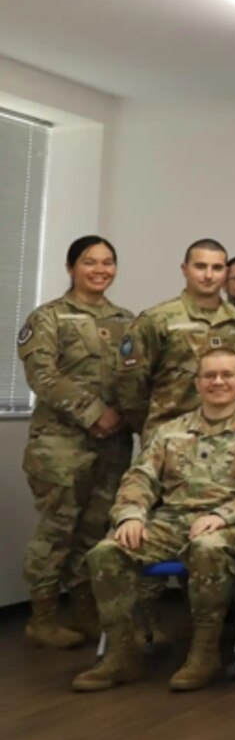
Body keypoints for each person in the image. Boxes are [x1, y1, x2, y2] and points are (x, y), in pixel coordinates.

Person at [71, 345, 235, 692]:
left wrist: (223, 515)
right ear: (197, 382)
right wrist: (130, 516)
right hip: (170, 522)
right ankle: (121, 656)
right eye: (209, 375)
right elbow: (140, 478)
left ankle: (204, 653)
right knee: (105, 553)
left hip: (229, 527)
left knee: (207, 547)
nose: (218, 381)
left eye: (227, 375)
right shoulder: (170, 432)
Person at [16, 235, 135, 648]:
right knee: (57, 530)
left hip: (113, 445)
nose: (100, 269)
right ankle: (43, 617)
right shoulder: (48, 317)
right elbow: (42, 376)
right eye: (89, 262)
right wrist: (93, 412)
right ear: (71, 268)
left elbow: (134, 376)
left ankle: (84, 611)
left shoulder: (125, 319)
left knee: (95, 530)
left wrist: (125, 415)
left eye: (107, 262)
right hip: (61, 445)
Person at [124, 238, 235, 438]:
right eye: (200, 267)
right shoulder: (157, 319)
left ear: (226, 273)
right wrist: (155, 424)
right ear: (185, 269)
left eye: (217, 268)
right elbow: (130, 383)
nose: (209, 275)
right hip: (170, 437)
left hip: (227, 439)